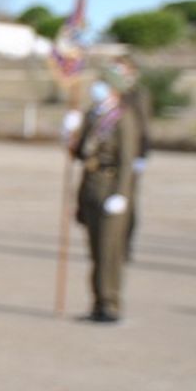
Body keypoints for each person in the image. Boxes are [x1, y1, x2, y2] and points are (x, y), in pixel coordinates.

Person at [71, 76, 139, 322]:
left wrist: (121, 193)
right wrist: (70, 132)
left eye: (101, 86)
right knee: (95, 251)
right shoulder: (93, 115)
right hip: (90, 188)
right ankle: (97, 301)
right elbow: (81, 153)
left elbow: (127, 160)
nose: (95, 90)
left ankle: (110, 302)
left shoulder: (122, 118)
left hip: (110, 188)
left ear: (113, 91)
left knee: (109, 252)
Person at [114, 57, 151, 260]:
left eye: (120, 69)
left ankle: (125, 245)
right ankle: (113, 242)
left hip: (131, 154)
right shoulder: (114, 92)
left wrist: (142, 154)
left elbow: (143, 125)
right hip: (112, 155)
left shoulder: (138, 94)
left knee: (127, 200)